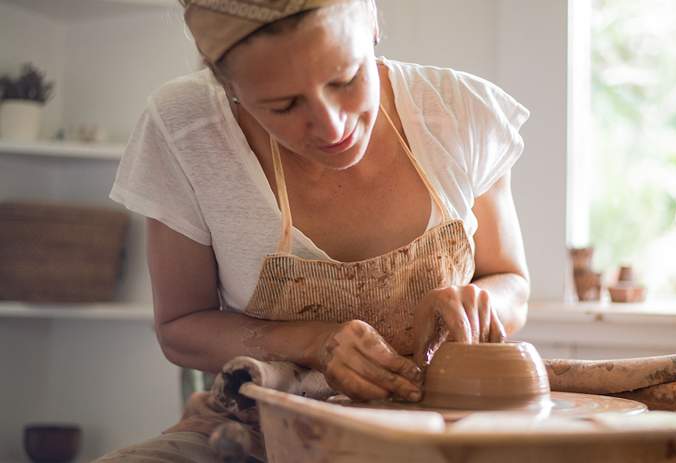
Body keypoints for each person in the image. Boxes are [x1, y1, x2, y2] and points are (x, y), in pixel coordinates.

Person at [96, 0, 530, 460]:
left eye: (345, 79)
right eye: (284, 105)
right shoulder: (186, 128)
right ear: (228, 85)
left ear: (373, 22)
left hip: (445, 424)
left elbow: (512, 284)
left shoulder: (459, 111)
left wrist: (480, 303)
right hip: (266, 426)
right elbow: (179, 329)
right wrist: (312, 342)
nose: (332, 125)